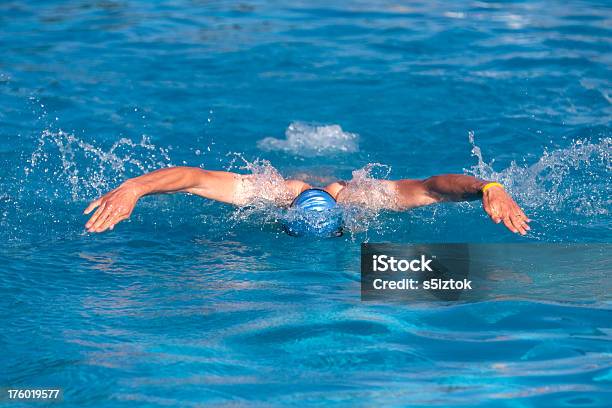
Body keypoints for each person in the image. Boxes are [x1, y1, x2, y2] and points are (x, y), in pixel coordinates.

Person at [83, 166, 531, 236]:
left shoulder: (364, 197)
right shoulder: (272, 192)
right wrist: (135, 187)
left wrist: (488, 188)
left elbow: (436, 186)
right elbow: (193, 179)